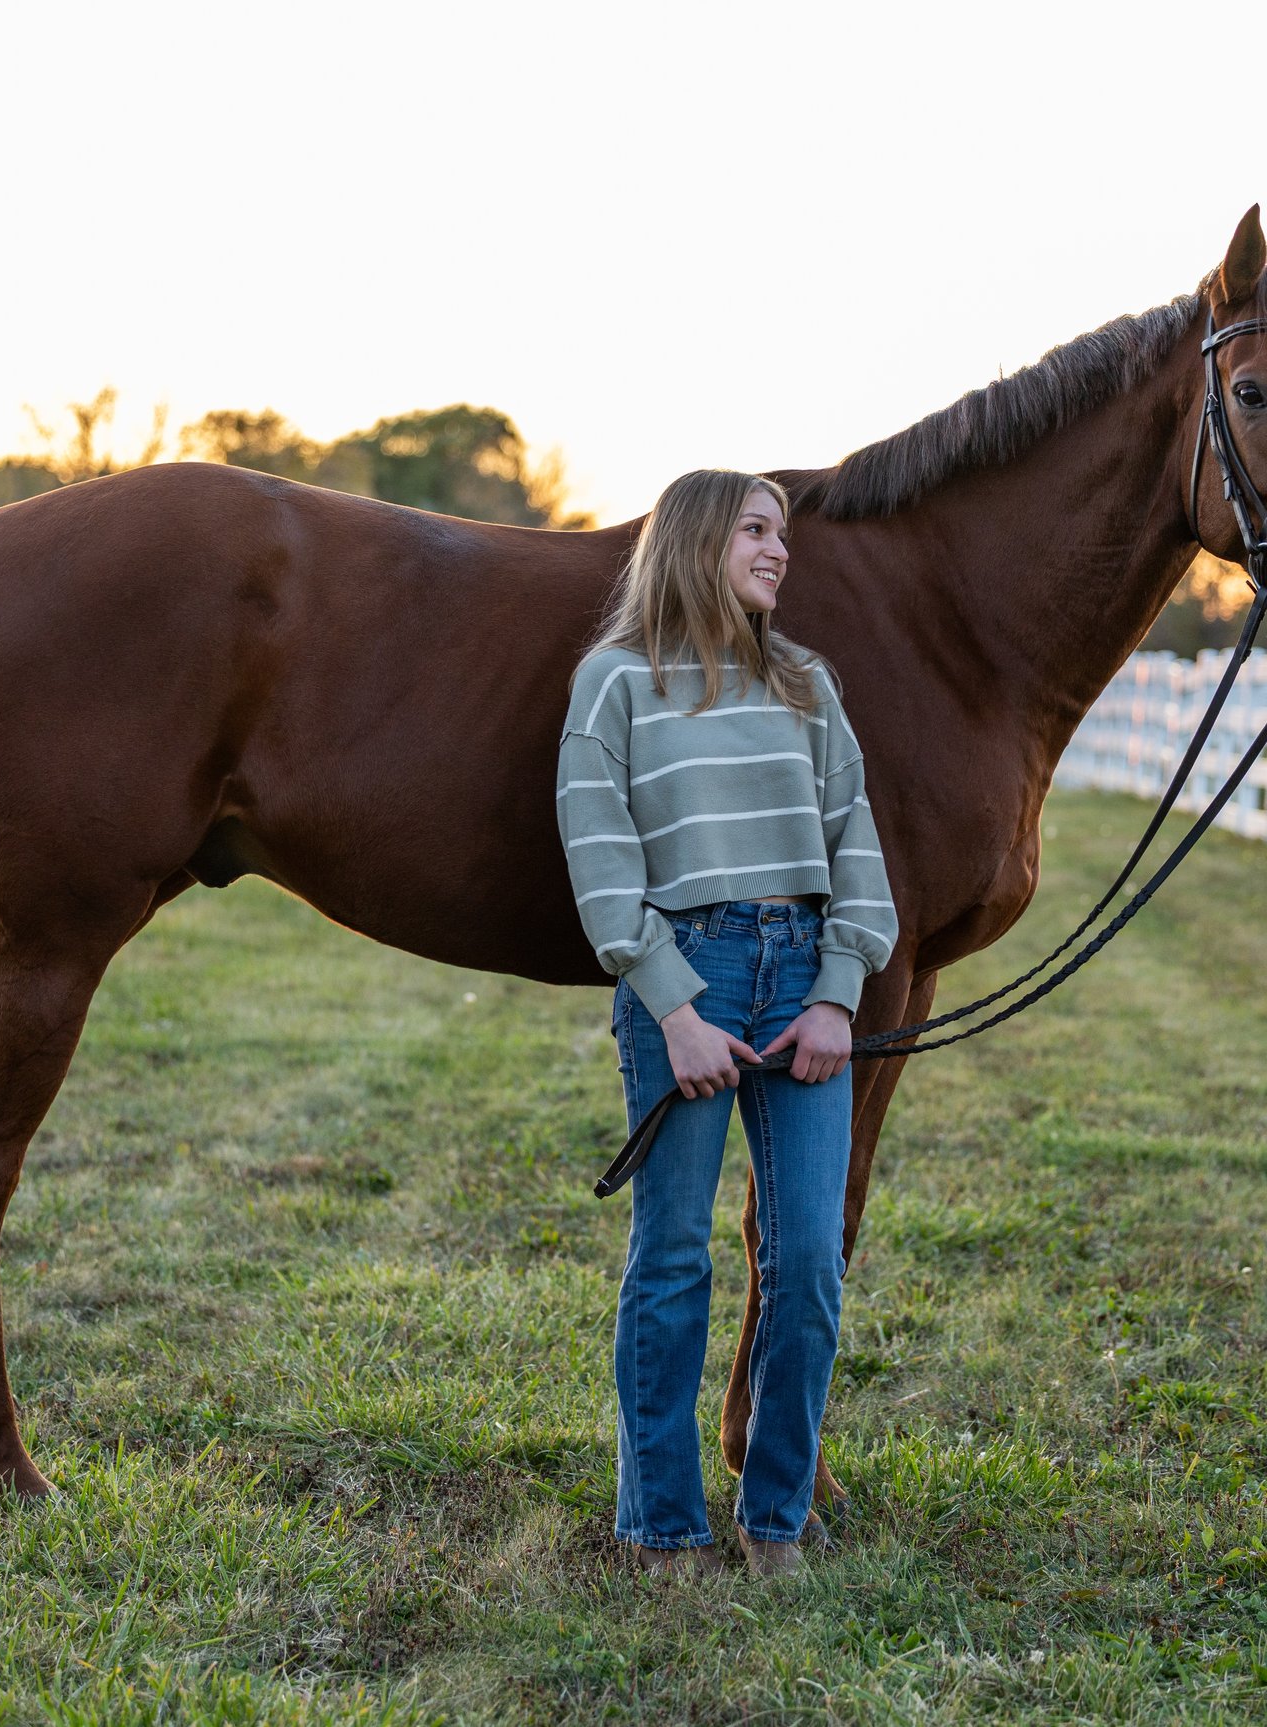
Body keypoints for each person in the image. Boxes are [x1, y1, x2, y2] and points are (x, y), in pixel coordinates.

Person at [556, 468, 898, 1574]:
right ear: (696, 541)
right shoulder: (613, 684)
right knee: (670, 1258)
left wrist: (838, 989)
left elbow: (855, 843)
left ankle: (775, 1514)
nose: (777, 549)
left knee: (806, 1259)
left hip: (801, 974)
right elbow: (601, 857)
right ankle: (661, 1523)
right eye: (755, 528)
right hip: (687, 972)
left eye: (781, 531)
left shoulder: (805, 684)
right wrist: (674, 1009)